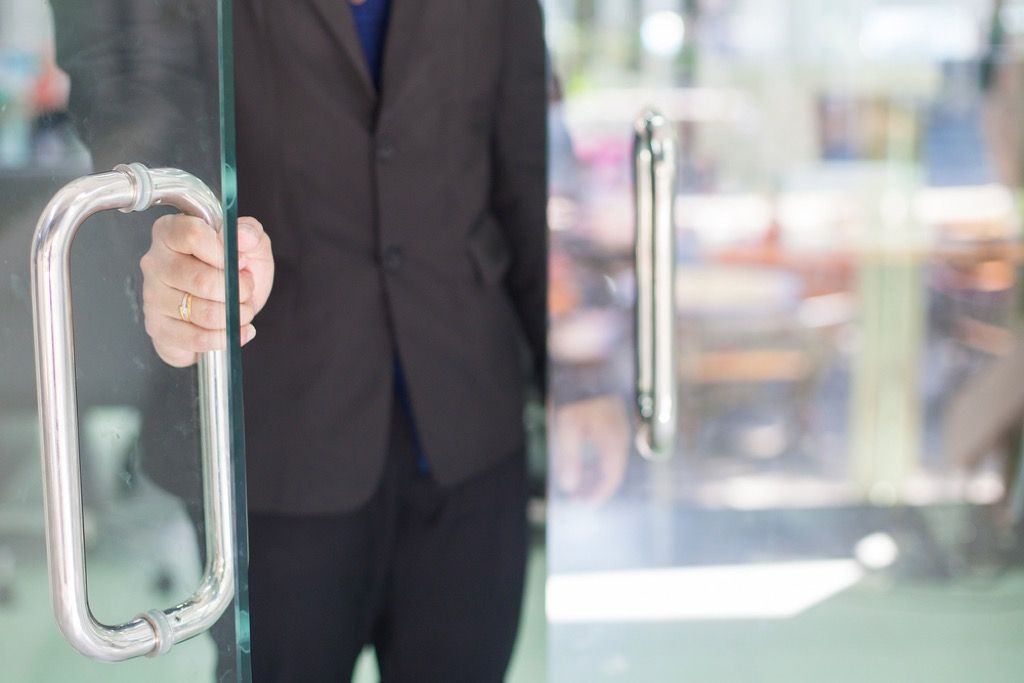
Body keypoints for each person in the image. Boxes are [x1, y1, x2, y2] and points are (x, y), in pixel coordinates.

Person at [52, 0, 627, 680]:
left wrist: (579, 368)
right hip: (273, 442)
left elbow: (526, 151)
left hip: (469, 429)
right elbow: (132, 86)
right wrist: (176, 243)